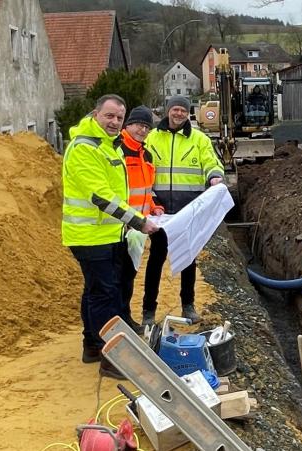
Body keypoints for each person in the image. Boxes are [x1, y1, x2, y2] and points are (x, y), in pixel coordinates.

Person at [62, 94, 159, 379]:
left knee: (96, 291)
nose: (114, 122)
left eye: (119, 117)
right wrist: (139, 222)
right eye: (109, 116)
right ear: (95, 114)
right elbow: (100, 196)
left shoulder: (109, 146)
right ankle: (111, 358)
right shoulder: (85, 148)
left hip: (106, 232)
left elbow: (117, 194)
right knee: (106, 294)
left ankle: (92, 346)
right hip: (89, 236)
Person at [142, 95, 224, 327]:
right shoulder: (152, 138)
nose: (178, 114)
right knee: (156, 260)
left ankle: (188, 305)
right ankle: (148, 310)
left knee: (188, 259)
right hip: (160, 211)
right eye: (175, 109)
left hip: (188, 211)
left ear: (188, 114)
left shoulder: (199, 139)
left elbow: (211, 162)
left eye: (182, 110)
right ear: (168, 111)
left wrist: (215, 176)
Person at [118, 105, 164, 332]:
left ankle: (123, 318)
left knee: (128, 276)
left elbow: (145, 189)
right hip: (120, 226)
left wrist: (153, 207)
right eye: (139, 125)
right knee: (118, 279)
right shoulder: (118, 151)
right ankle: (118, 321)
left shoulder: (145, 154)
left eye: (147, 127)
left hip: (138, 226)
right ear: (128, 125)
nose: (143, 130)